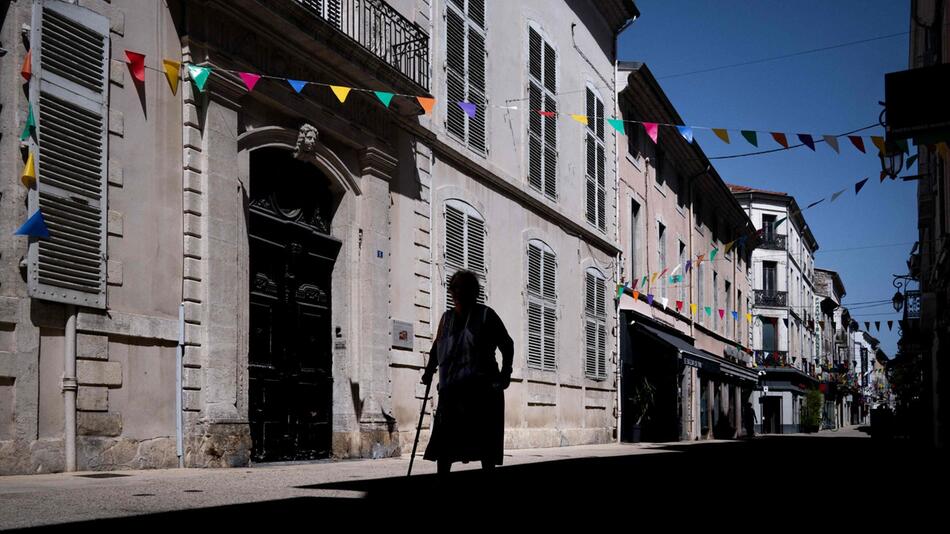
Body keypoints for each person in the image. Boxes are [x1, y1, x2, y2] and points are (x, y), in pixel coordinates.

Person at [421, 270, 514, 481]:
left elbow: (507, 345)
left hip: (481, 394)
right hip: (451, 394)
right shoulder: (447, 318)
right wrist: (429, 371)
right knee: (445, 448)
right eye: (454, 288)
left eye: (461, 288)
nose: (456, 293)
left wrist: (504, 375)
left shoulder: (486, 315)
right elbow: (437, 346)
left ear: (474, 292)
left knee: (484, 447)